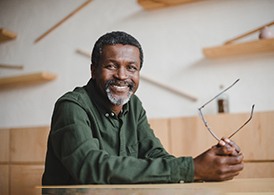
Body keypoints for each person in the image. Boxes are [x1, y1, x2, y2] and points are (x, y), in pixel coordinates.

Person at [42, 31, 244, 185]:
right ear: (93, 70)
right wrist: (192, 169)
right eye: (111, 66)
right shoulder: (71, 106)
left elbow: (155, 155)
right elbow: (91, 167)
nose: (122, 76)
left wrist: (210, 162)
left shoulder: (133, 105)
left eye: (131, 68)